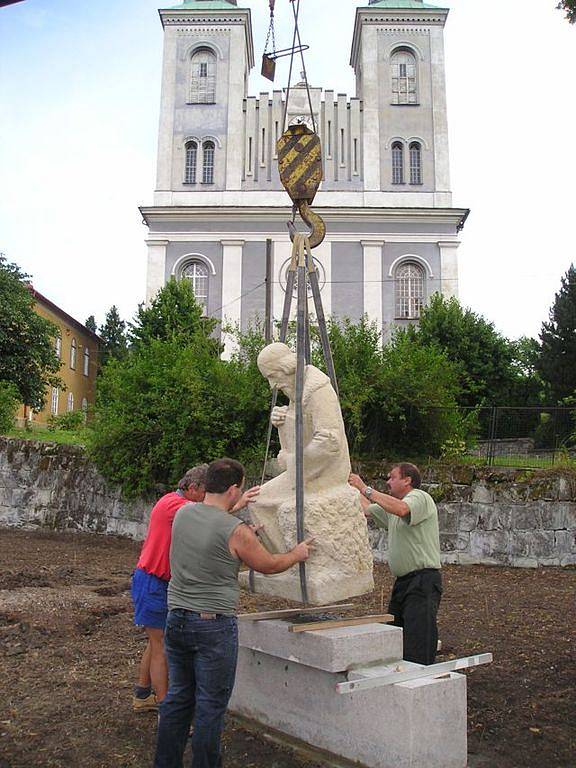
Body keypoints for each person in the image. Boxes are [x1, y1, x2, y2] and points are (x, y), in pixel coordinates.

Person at [154, 457, 314, 768]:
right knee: (210, 706)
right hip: (211, 625)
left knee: (178, 699)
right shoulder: (235, 530)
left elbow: (214, 527)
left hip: (177, 618)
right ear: (233, 489)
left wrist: (241, 527)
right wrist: (297, 553)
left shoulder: (185, 513)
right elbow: (268, 565)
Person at [131, 465, 259, 712]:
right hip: (154, 581)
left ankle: (142, 693)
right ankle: (166, 708)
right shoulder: (176, 507)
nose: (208, 496)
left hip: (158, 580)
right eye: (205, 491)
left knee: (155, 641)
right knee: (162, 647)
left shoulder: (173, 502)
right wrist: (239, 507)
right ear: (191, 489)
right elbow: (211, 518)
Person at [348, 463, 442, 666]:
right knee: (395, 635)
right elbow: (366, 509)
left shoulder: (419, 497)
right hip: (403, 583)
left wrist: (365, 488)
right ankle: (402, 680)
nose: (388, 482)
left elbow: (401, 509)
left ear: (407, 480)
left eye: (392, 477)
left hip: (423, 581)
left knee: (418, 640)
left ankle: (419, 682)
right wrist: (349, 487)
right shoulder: (392, 507)